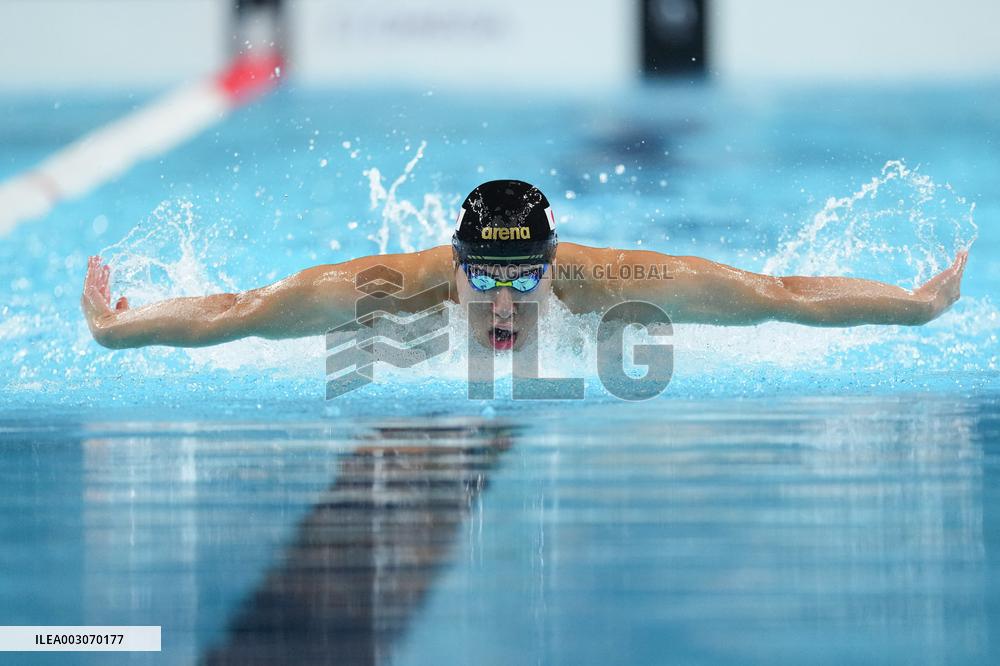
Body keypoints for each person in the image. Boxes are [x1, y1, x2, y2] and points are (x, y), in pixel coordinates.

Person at [82, 179, 968, 351]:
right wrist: (120, 332)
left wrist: (913, 308)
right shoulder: (395, 290)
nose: (505, 302)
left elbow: (786, 297)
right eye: (484, 279)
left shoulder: (609, 280)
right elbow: (236, 310)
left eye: (525, 279)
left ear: (554, 265)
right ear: (456, 265)